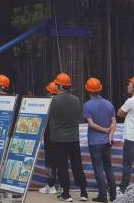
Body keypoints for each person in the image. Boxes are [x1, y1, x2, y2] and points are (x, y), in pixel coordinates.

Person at [46, 73, 88, 202]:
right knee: (77, 165)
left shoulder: (53, 101)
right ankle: (83, 192)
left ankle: (66, 194)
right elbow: (80, 119)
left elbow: (46, 118)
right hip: (73, 138)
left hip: (58, 139)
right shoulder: (76, 100)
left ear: (59, 86)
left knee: (62, 166)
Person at [82, 78, 115, 203]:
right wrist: (110, 133)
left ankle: (103, 196)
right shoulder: (108, 104)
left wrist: (104, 130)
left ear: (88, 90)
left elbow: (91, 124)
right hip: (106, 142)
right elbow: (114, 122)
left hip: (95, 142)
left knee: (98, 169)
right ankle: (113, 195)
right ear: (100, 89)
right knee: (109, 168)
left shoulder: (87, 105)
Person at [39, 81, 63, 197]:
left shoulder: (48, 105)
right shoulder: (62, 104)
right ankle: (62, 185)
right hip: (61, 137)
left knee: (49, 162)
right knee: (61, 161)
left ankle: (51, 185)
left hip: (50, 138)